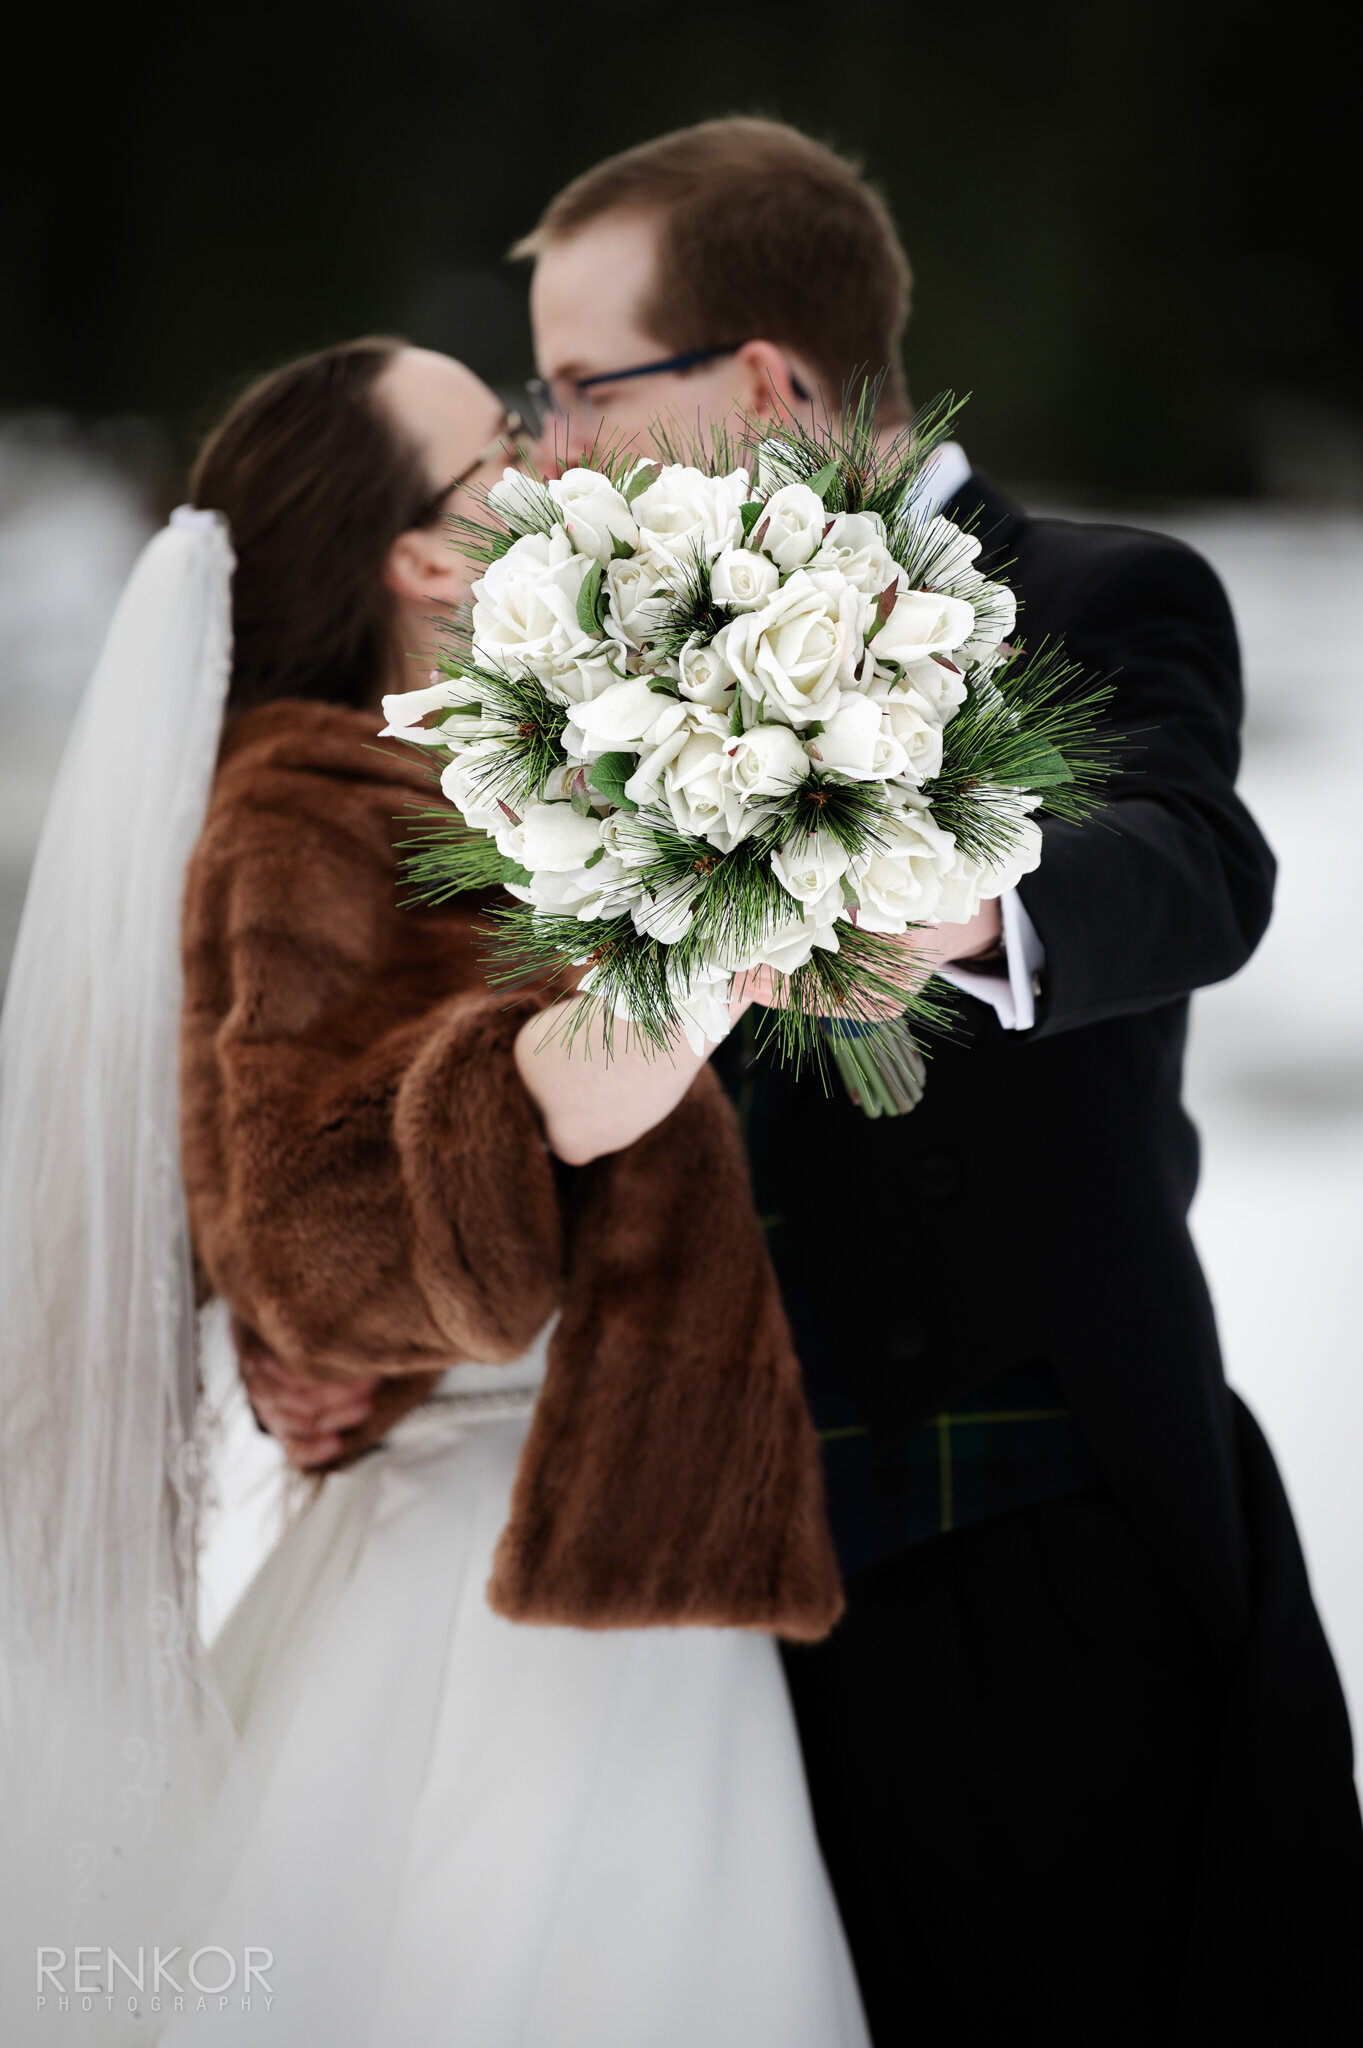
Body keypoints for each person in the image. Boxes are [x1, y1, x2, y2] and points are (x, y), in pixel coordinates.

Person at [511, 117, 1363, 2045]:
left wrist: (977, 904)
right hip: (705, 1567)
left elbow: (1193, 869)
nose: (548, 444)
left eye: (580, 385)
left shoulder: (1098, 592)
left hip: (1016, 1533)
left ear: (760, 382)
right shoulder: (589, 673)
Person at [0, 337, 872, 2046]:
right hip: (506, 1567)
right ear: (416, 549)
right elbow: (314, 1240)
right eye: (502, 444)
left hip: (617, 1508)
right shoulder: (307, 813)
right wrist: (637, 1001)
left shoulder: (524, 760)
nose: (555, 458)